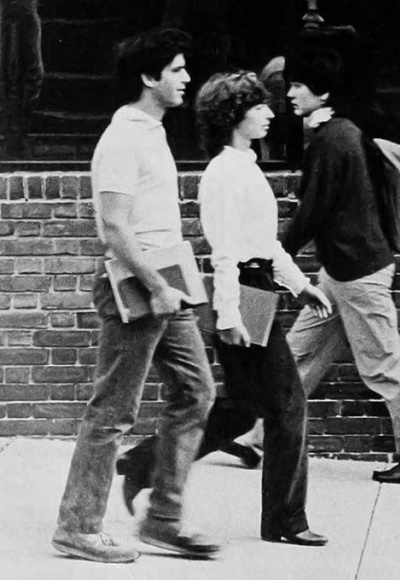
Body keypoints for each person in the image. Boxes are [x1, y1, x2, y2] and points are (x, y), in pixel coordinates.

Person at [116, 71, 333, 547]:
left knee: (244, 407)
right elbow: (226, 253)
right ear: (235, 115)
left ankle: (142, 463)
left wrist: (300, 286)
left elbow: (265, 244)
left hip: (256, 290)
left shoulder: (247, 166)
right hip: (243, 294)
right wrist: (231, 316)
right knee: (288, 406)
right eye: (259, 107)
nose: (271, 114)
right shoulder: (222, 174)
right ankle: (285, 521)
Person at [52, 28, 219, 563]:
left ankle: (163, 520)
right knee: (112, 412)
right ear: (149, 78)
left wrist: (169, 286)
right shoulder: (122, 136)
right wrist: (158, 285)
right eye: (176, 69)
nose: (186, 78)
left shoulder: (153, 132)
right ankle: (77, 527)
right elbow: (115, 229)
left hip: (164, 288)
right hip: (139, 290)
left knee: (196, 392)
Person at [282, 39, 400, 484]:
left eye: (298, 85)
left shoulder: (332, 142)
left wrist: (279, 254)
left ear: (323, 91)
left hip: (358, 272)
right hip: (342, 270)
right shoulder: (339, 133)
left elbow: (312, 210)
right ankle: (256, 436)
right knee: (299, 354)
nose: (290, 93)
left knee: (384, 365)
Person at [0, 0, 44, 156]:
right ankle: (13, 133)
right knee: (9, 71)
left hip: (25, 10)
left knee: (31, 72)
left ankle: (19, 131)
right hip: (8, 11)